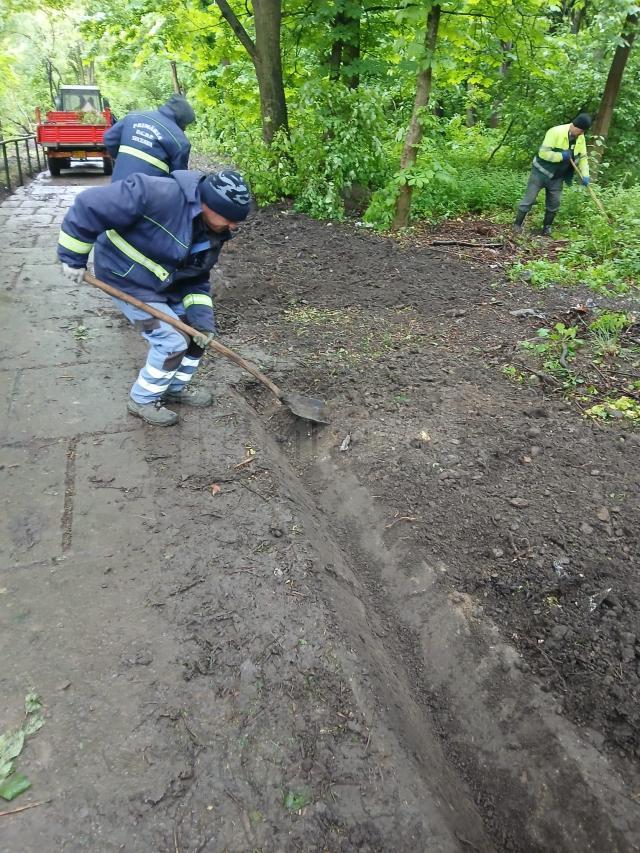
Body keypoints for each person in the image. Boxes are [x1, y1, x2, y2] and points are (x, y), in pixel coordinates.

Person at [57, 169, 251, 426]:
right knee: (171, 342)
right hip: (125, 279)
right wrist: (72, 258)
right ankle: (142, 399)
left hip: (165, 284)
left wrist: (202, 321)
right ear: (208, 205)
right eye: (230, 218)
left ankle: (173, 389)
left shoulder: (214, 233)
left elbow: (197, 277)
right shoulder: (156, 194)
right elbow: (88, 205)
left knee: (198, 337)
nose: (233, 227)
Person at [513, 113, 591, 237]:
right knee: (529, 200)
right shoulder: (555, 132)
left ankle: (546, 227)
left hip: (557, 177)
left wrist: (585, 174)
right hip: (540, 173)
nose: (582, 133)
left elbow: (583, 158)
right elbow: (543, 153)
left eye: (583, 131)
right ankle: (517, 225)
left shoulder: (580, 138)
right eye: (581, 130)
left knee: (554, 203)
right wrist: (561, 156)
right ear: (575, 126)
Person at [103, 95, 195, 181]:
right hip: (150, 190)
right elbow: (180, 178)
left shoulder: (133, 117)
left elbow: (109, 138)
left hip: (118, 185)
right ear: (183, 121)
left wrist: (124, 160)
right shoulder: (180, 142)